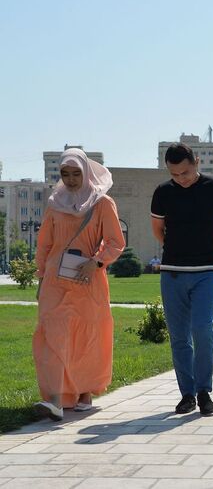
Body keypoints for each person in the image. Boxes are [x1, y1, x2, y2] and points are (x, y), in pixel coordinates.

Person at [33, 148, 125, 421]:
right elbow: (45, 244)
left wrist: (96, 262)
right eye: (65, 173)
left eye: (76, 173)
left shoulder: (102, 203)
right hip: (54, 281)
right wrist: (41, 275)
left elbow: (115, 243)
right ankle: (55, 399)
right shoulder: (54, 203)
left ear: (86, 172)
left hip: (88, 280)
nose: (71, 179)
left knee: (87, 336)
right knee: (52, 335)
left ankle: (84, 393)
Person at [151, 143, 213, 416]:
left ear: (197, 162)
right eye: (175, 174)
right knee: (179, 336)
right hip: (173, 272)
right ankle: (187, 394)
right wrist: (176, 252)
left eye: (185, 172)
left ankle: (204, 391)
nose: (181, 179)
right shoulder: (163, 193)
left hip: (206, 272)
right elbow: (158, 229)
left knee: (202, 328)